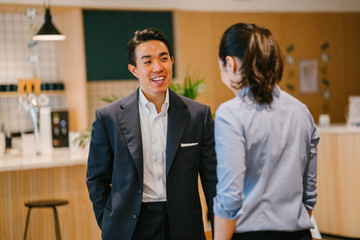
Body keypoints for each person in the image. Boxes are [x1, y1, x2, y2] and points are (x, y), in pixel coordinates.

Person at [86, 27, 217, 240]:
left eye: (163, 58)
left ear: (172, 61)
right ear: (134, 69)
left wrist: (219, 230)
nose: (158, 67)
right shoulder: (108, 118)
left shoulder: (198, 115)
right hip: (130, 227)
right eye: (147, 61)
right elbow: (96, 179)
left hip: (184, 226)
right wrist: (108, 221)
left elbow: (212, 180)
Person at [213, 23, 319, 240]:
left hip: (252, 234)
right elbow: (309, 194)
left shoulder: (230, 114)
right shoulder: (301, 111)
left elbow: (230, 197)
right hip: (300, 233)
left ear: (230, 64)